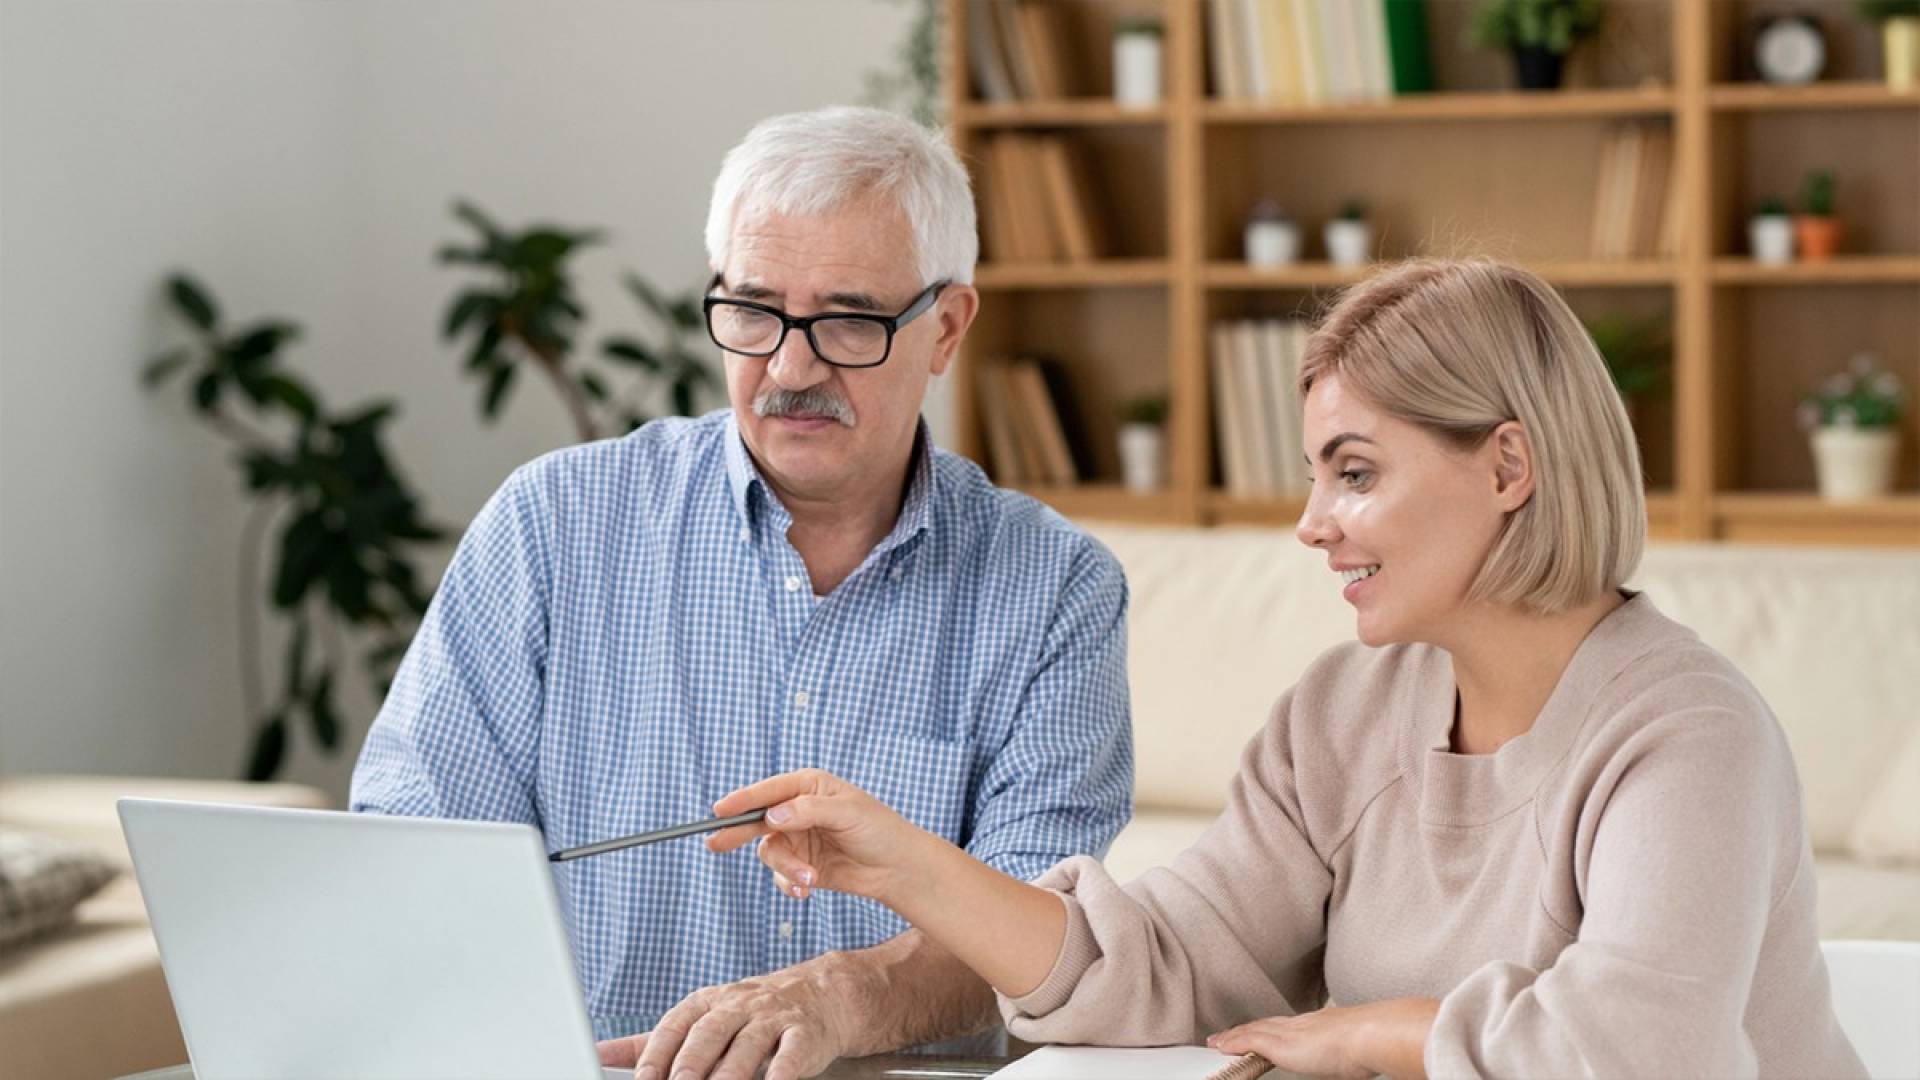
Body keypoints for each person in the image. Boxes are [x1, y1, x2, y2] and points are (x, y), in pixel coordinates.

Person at [705, 259, 1868, 1078]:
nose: (1313, 524)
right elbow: (1163, 961)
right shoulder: (1345, 712)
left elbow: (1643, 1054)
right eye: (1314, 477)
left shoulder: (1685, 736)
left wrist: (1371, 1030)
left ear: (1509, 464)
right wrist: (910, 864)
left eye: (1354, 473)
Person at [349, 106, 1135, 1080]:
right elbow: (420, 850)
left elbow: (1038, 940)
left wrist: (847, 997)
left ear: (945, 328)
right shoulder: (552, 525)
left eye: (847, 319)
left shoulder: (1058, 591)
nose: (790, 368)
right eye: (755, 311)